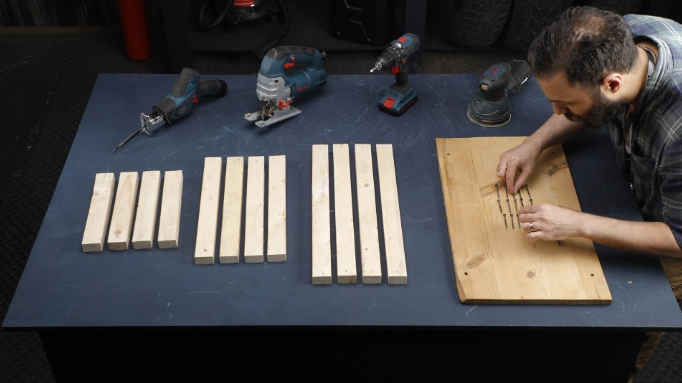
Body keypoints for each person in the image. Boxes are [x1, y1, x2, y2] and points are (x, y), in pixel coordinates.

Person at [496, 6, 682, 381]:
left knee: (613, 345)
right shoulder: (628, 36)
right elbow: (582, 108)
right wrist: (534, 144)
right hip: (643, 187)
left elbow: (679, 238)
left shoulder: (678, 130)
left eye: (565, 105)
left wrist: (576, 223)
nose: (556, 111)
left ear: (612, 84)